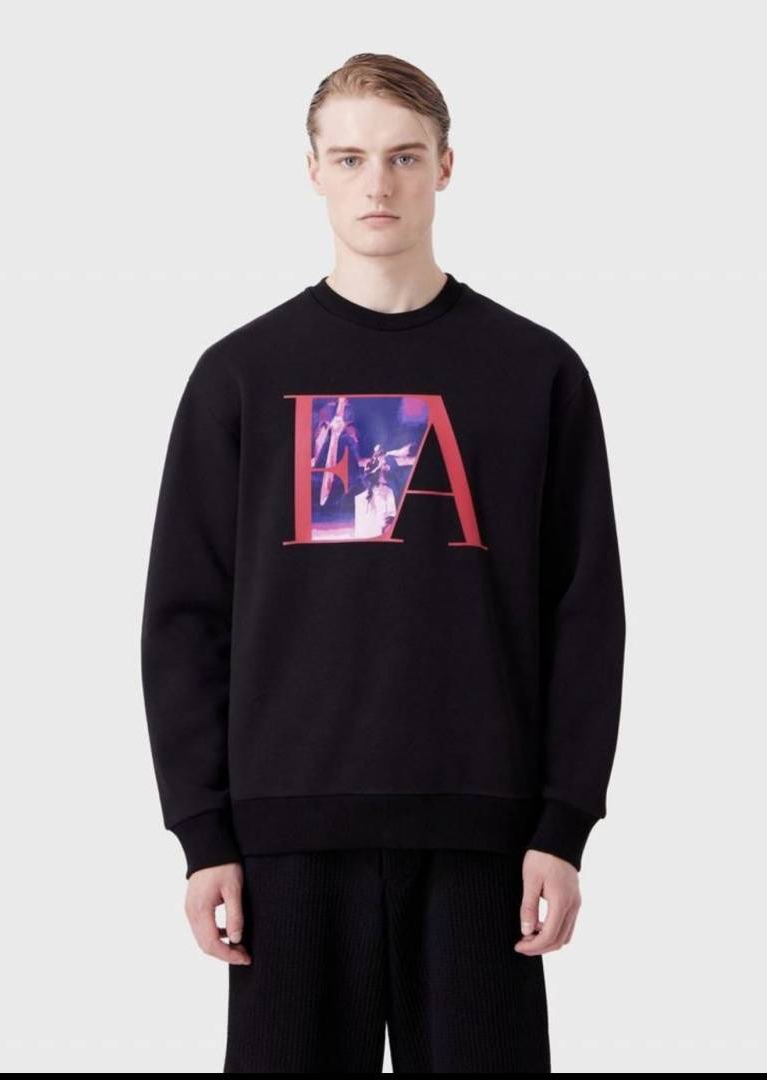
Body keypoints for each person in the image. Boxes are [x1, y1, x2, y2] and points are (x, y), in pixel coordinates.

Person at [140, 51, 626, 1073]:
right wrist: (203, 833)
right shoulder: (241, 375)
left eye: (404, 156)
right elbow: (186, 616)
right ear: (312, 170)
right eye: (351, 157)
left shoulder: (536, 371)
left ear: (446, 166)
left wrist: (563, 823)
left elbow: (585, 612)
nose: (378, 184)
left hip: (484, 834)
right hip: (286, 836)